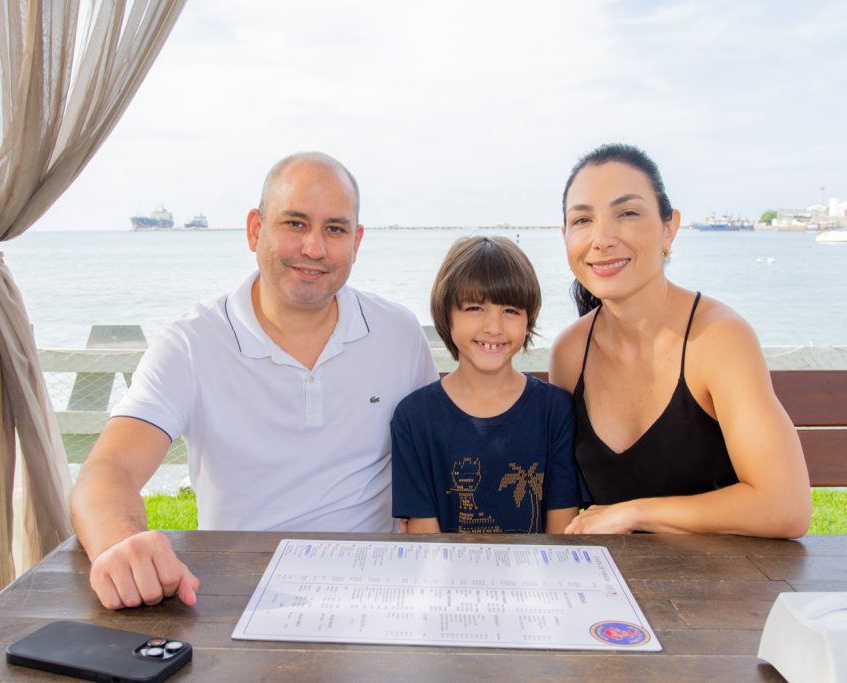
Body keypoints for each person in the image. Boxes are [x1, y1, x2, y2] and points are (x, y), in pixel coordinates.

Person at [71, 152, 438, 609]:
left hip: (373, 590)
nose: (314, 248)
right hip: (237, 592)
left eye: (335, 229)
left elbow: (433, 457)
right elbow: (108, 470)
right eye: (295, 224)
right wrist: (121, 542)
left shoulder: (398, 334)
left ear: (357, 240)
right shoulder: (191, 343)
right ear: (254, 230)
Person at [549, 143, 811, 538]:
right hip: (613, 588)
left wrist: (633, 514)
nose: (601, 239)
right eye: (582, 220)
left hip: (725, 588)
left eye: (628, 213)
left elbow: (785, 505)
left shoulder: (718, 339)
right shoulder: (570, 353)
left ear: (669, 228)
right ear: (566, 236)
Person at [393, 236, 590, 534]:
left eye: (510, 310)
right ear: (446, 314)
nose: (493, 327)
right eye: (474, 308)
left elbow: (561, 529)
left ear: (531, 317)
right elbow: (425, 538)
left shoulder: (554, 410)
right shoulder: (413, 417)